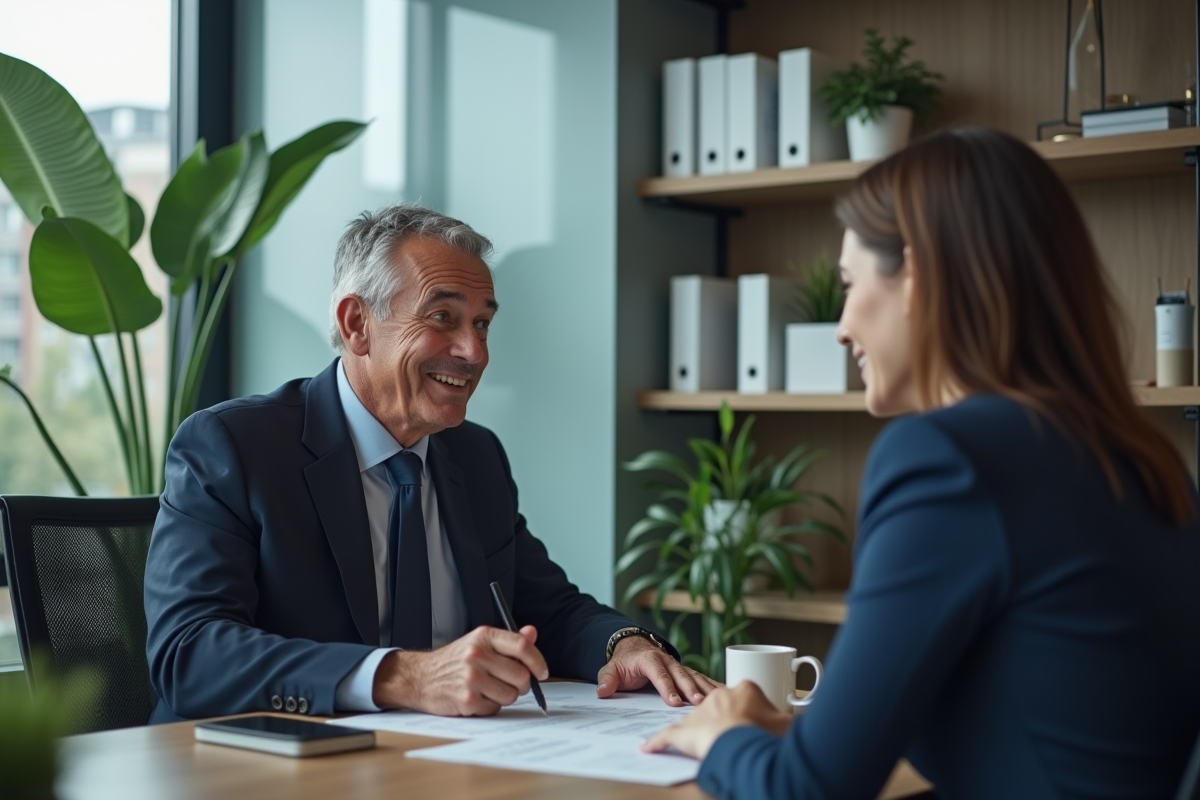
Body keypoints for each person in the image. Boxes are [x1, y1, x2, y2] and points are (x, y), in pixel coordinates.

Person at [643, 127, 1200, 799]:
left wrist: (724, 736)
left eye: (851, 284)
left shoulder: (950, 457)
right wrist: (801, 734)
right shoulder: (1143, 458)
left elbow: (807, 792)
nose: (842, 325)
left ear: (918, 275)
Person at [144, 204, 720, 723]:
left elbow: (551, 609)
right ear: (356, 325)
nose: (475, 352)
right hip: (262, 773)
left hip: (437, 765)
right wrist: (404, 676)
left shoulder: (475, 455)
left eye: (482, 322)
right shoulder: (232, 445)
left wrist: (626, 643)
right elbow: (188, 653)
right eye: (442, 317)